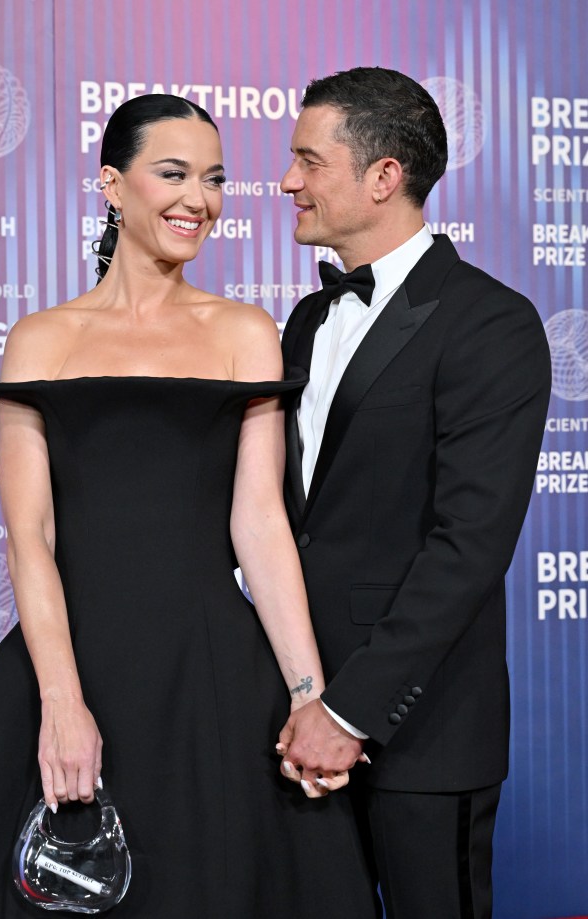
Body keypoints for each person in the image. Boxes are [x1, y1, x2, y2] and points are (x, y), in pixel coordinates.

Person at [0, 95, 378, 917]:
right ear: (112, 186)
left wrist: (309, 694)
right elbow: (31, 537)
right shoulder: (41, 338)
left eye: (215, 178)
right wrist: (62, 704)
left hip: (212, 682)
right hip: (69, 663)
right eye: (173, 173)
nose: (199, 199)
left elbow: (259, 523)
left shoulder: (243, 330)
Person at [276, 67, 551, 919]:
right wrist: (299, 698)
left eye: (309, 161)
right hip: (291, 723)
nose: (288, 181)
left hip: (420, 728)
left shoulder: (490, 324)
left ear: (383, 176)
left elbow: (466, 546)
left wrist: (350, 712)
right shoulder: (306, 321)